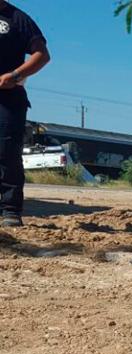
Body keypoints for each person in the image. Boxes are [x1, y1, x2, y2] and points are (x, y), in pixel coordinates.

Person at [0, 1, 50, 228]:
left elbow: (42, 54)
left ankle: (10, 209)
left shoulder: (18, 19)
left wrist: (15, 75)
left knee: (7, 150)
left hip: (8, 97)